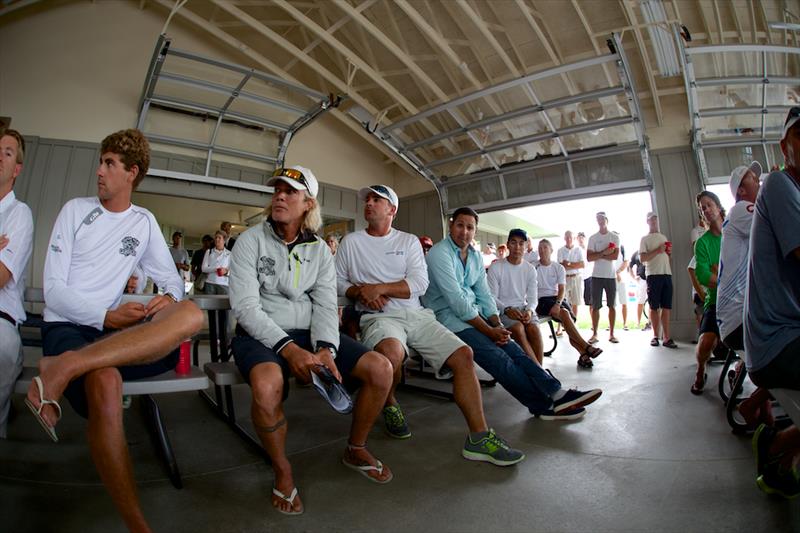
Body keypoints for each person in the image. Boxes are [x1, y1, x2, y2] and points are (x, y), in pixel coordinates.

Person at [26, 129, 203, 532]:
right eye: (100, 161)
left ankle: (62, 367)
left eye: (109, 164)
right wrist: (105, 317)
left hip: (102, 339)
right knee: (106, 383)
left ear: (132, 173)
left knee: (191, 315)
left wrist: (170, 298)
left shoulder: (143, 222)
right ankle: (138, 525)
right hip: (68, 328)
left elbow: (172, 280)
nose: (99, 171)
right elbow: (53, 292)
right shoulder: (75, 210)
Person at [228, 166, 395, 516]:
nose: (280, 196)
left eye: (290, 191)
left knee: (381, 369)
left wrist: (326, 350)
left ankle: (356, 448)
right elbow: (245, 308)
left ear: (308, 203)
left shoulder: (319, 250)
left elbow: (324, 304)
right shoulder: (249, 241)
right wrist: (290, 351)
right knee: (267, 386)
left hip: (307, 331)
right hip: (259, 334)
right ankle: (282, 469)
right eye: (277, 190)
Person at [337, 185, 524, 465]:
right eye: (368, 200)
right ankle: (387, 407)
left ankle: (479, 438)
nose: (369, 203)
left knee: (464, 356)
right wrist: (360, 292)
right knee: (391, 357)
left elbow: (419, 283)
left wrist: (379, 289)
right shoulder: (351, 242)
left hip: (418, 314)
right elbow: (338, 283)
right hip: (379, 317)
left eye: (378, 200)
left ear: (392, 210)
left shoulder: (408, 241)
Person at [425, 206, 602, 420]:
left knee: (513, 348)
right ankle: (542, 405)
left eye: (470, 227)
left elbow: (484, 295)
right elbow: (456, 302)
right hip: (447, 318)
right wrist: (490, 331)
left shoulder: (474, 256)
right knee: (499, 357)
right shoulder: (439, 253)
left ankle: (558, 393)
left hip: (474, 314)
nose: (464, 231)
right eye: (460, 225)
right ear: (451, 225)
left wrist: (496, 323)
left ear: (475, 230)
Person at [747, 107, 800, 499]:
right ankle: (779, 443)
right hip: (776, 341)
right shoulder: (781, 184)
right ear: (786, 147)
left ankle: (782, 448)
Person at [0, 129, 33, 439]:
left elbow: (0, 277)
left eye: (7, 152)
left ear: (17, 169)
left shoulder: (18, 214)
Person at [536, 239, 602, 369]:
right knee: (566, 314)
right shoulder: (533, 267)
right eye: (540, 248)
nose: (542, 250)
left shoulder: (558, 267)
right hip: (541, 300)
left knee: (568, 320)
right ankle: (586, 347)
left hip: (556, 298)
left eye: (545, 247)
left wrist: (557, 303)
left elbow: (562, 289)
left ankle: (584, 354)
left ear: (551, 250)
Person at [487, 229, 543, 364]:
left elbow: (533, 297)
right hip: (502, 310)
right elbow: (491, 297)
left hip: (523, 308)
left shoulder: (529, 269)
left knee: (534, 328)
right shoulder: (496, 267)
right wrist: (506, 309)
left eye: (521, 243)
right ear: (507, 245)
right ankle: (540, 374)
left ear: (525, 246)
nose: (517, 247)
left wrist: (529, 310)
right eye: (513, 243)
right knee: (518, 328)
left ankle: (538, 370)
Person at [691, 190, 725, 394]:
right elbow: (703, 275)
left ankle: (739, 371)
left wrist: (718, 274)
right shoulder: (702, 243)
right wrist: (726, 278)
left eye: (709, 204)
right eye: (702, 208)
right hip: (715, 302)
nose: (706, 209)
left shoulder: (736, 233)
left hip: (742, 301)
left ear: (719, 207)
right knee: (705, 344)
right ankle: (700, 369)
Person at [639, 212, 677, 348]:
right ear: (647, 222)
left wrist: (668, 253)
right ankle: (655, 336)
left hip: (666, 274)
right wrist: (658, 250)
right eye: (651, 220)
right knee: (654, 306)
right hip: (653, 275)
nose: (654, 222)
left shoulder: (663, 237)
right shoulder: (645, 239)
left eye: (656, 219)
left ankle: (666, 337)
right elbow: (642, 258)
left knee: (666, 306)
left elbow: (667, 256)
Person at [587, 212, 620, 344]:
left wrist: (599, 255)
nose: (600, 221)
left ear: (607, 219)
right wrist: (604, 252)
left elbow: (615, 256)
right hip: (596, 276)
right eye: (598, 219)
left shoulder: (614, 237)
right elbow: (589, 258)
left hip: (610, 276)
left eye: (602, 219)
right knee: (595, 306)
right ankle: (595, 334)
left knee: (612, 305)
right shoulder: (593, 238)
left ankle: (612, 334)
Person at [557, 230, 585, 320]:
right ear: (564, 238)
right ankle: (561, 326)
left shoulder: (579, 249)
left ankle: (574, 323)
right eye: (567, 237)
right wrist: (574, 265)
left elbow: (582, 265)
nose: (569, 239)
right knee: (563, 301)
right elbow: (561, 266)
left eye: (570, 237)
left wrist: (568, 264)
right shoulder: (560, 250)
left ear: (574, 238)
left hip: (576, 277)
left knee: (575, 302)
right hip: (564, 278)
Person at [201, 230, 231, 295]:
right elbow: (203, 268)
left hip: (224, 284)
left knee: (223, 305)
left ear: (224, 240)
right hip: (210, 283)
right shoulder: (209, 252)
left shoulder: (230, 254)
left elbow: (233, 271)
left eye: (219, 238)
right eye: (216, 237)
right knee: (209, 304)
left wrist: (226, 271)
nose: (217, 239)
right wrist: (216, 269)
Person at [628, 251, 649, 330]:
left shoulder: (649, 250)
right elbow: (630, 266)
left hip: (651, 277)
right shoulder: (636, 253)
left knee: (651, 302)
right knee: (640, 301)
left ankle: (649, 322)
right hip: (641, 280)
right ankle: (638, 323)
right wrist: (633, 277)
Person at [613, 241, 629, 331]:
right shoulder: (610, 248)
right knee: (612, 303)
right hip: (612, 278)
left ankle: (625, 323)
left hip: (622, 279)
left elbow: (626, 262)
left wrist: (618, 272)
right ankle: (611, 324)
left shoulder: (622, 248)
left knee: (624, 302)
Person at [577, 231, 591, 311]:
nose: (581, 239)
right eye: (579, 237)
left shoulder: (589, 249)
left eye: (582, 237)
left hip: (588, 276)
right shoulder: (575, 249)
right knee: (575, 301)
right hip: (578, 276)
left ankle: (593, 323)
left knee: (590, 301)